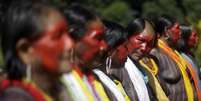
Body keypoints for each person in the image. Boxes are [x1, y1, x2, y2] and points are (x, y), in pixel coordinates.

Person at [0, 1, 74, 101]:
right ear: (25, 50)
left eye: (68, 34)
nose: (70, 44)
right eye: (58, 36)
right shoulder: (16, 98)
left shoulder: (57, 90)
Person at [60, 4, 110, 101]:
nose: (104, 47)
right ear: (71, 38)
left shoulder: (94, 79)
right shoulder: (59, 83)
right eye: (98, 38)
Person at [151, 15, 195, 101]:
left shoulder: (174, 52)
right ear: (166, 31)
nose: (180, 32)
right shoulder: (155, 53)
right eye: (177, 28)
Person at [93, 20, 131, 101]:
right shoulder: (95, 80)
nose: (128, 52)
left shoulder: (111, 79)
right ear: (112, 47)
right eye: (125, 47)